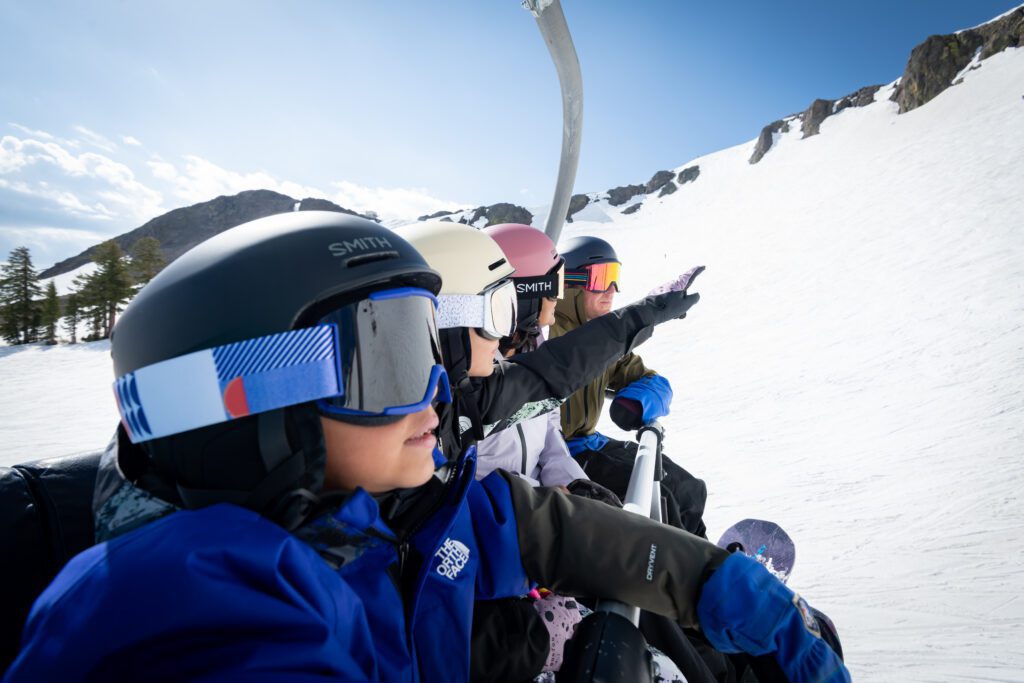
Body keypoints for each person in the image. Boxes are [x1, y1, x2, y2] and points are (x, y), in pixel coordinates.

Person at [5, 212, 848, 683]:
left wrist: (710, 579)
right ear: (255, 404)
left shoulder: (373, 509)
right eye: (394, 354)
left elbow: (537, 522)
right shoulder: (200, 606)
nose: (439, 392)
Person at [550, 235, 709, 536]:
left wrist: (636, 403)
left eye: (615, 278)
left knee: (688, 488)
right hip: (558, 454)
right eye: (600, 278)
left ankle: (707, 551)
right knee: (658, 501)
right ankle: (685, 559)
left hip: (588, 442)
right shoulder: (548, 332)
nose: (611, 290)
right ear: (569, 285)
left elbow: (651, 380)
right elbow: (573, 354)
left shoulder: (602, 336)